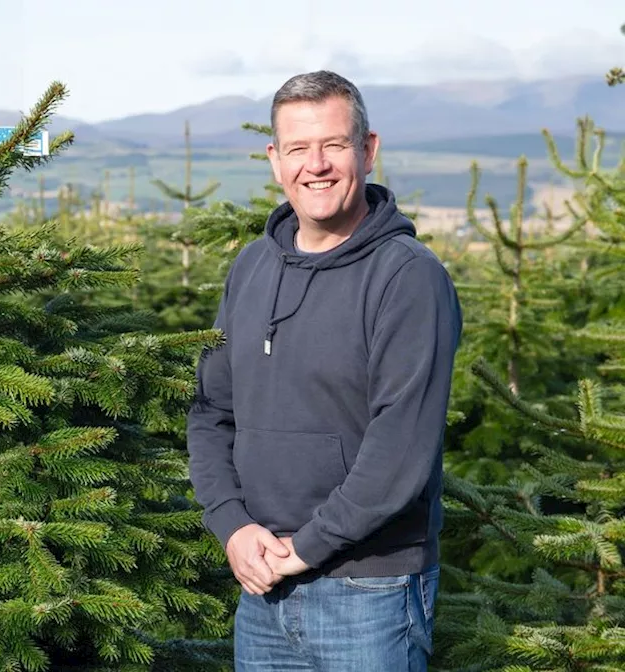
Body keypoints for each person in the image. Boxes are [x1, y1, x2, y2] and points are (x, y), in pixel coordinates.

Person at [187, 70, 462, 670]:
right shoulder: (252, 268)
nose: (316, 165)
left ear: (367, 150)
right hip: (262, 585)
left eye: (334, 145)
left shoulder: (407, 277)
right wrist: (232, 527)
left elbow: (400, 449)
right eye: (298, 148)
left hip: (372, 593)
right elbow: (211, 412)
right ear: (274, 159)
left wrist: (305, 548)